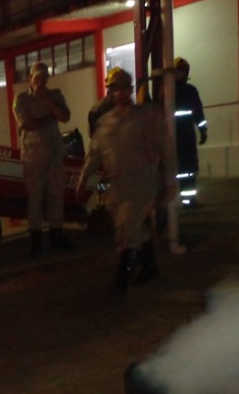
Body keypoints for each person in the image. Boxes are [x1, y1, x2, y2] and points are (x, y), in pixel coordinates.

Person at [74, 68, 177, 293]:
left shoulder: (146, 117)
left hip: (141, 182)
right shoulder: (105, 123)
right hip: (116, 185)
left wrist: (171, 180)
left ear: (130, 90)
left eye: (123, 88)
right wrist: (84, 177)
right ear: (110, 92)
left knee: (128, 230)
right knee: (129, 226)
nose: (119, 93)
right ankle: (150, 266)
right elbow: (95, 153)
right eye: (115, 89)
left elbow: (166, 149)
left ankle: (121, 280)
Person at [12, 61, 73, 254]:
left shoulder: (55, 95)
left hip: (54, 153)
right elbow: (27, 124)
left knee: (56, 195)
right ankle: (36, 239)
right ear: (30, 78)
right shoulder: (21, 99)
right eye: (37, 77)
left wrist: (47, 101)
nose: (41, 81)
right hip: (32, 156)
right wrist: (50, 117)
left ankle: (56, 234)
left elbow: (65, 116)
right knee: (35, 199)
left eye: (44, 77)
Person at [172, 57, 207, 203]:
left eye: (183, 70)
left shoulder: (190, 90)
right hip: (170, 134)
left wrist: (203, 130)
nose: (181, 73)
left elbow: (198, 112)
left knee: (188, 168)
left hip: (186, 133)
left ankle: (188, 200)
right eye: (178, 70)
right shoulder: (165, 90)